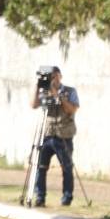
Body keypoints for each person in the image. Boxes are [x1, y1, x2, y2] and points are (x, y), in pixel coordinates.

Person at [30, 66, 81, 207]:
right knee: (40, 167)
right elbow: (33, 105)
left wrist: (56, 94)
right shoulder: (43, 91)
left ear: (59, 76)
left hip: (63, 135)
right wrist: (38, 86)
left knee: (66, 167)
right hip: (47, 134)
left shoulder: (70, 91)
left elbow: (71, 109)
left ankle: (67, 198)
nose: (52, 79)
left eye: (54, 76)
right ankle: (39, 197)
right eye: (49, 77)